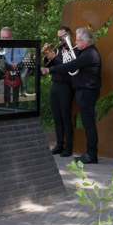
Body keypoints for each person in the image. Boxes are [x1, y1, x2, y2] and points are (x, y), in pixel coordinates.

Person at [48, 27, 101, 164]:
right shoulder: (84, 51)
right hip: (82, 90)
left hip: (88, 91)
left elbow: (72, 65)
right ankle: (89, 153)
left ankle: (92, 154)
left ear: (86, 41)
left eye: (78, 40)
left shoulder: (90, 54)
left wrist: (49, 69)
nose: (76, 43)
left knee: (89, 124)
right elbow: (70, 62)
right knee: (87, 123)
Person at [41, 26, 75, 156]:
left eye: (62, 37)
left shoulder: (73, 50)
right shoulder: (58, 49)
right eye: (58, 37)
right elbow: (48, 65)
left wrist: (54, 57)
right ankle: (59, 143)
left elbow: (67, 66)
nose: (59, 40)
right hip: (55, 84)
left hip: (66, 85)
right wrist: (46, 54)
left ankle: (69, 147)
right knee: (57, 116)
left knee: (66, 116)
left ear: (69, 35)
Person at [0, 26, 26, 108]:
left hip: (17, 74)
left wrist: (14, 64)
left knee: (14, 100)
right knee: (2, 100)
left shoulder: (19, 46)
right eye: (2, 38)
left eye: (6, 38)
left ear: (11, 37)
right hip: (3, 75)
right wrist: (9, 65)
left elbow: (23, 57)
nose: (4, 40)